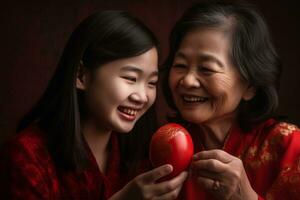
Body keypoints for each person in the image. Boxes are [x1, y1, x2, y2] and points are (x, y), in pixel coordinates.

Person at [0, 11, 187, 199]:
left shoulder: (147, 155)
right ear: (81, 75)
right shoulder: (26, 157)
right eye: (130, 78)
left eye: (151, 83)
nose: (142, 97)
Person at [161, 1, 300, 199]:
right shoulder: (161, 145)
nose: (188, 80)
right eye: (181, 65)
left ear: (250, 86)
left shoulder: (288, 145)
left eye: (206, 68)